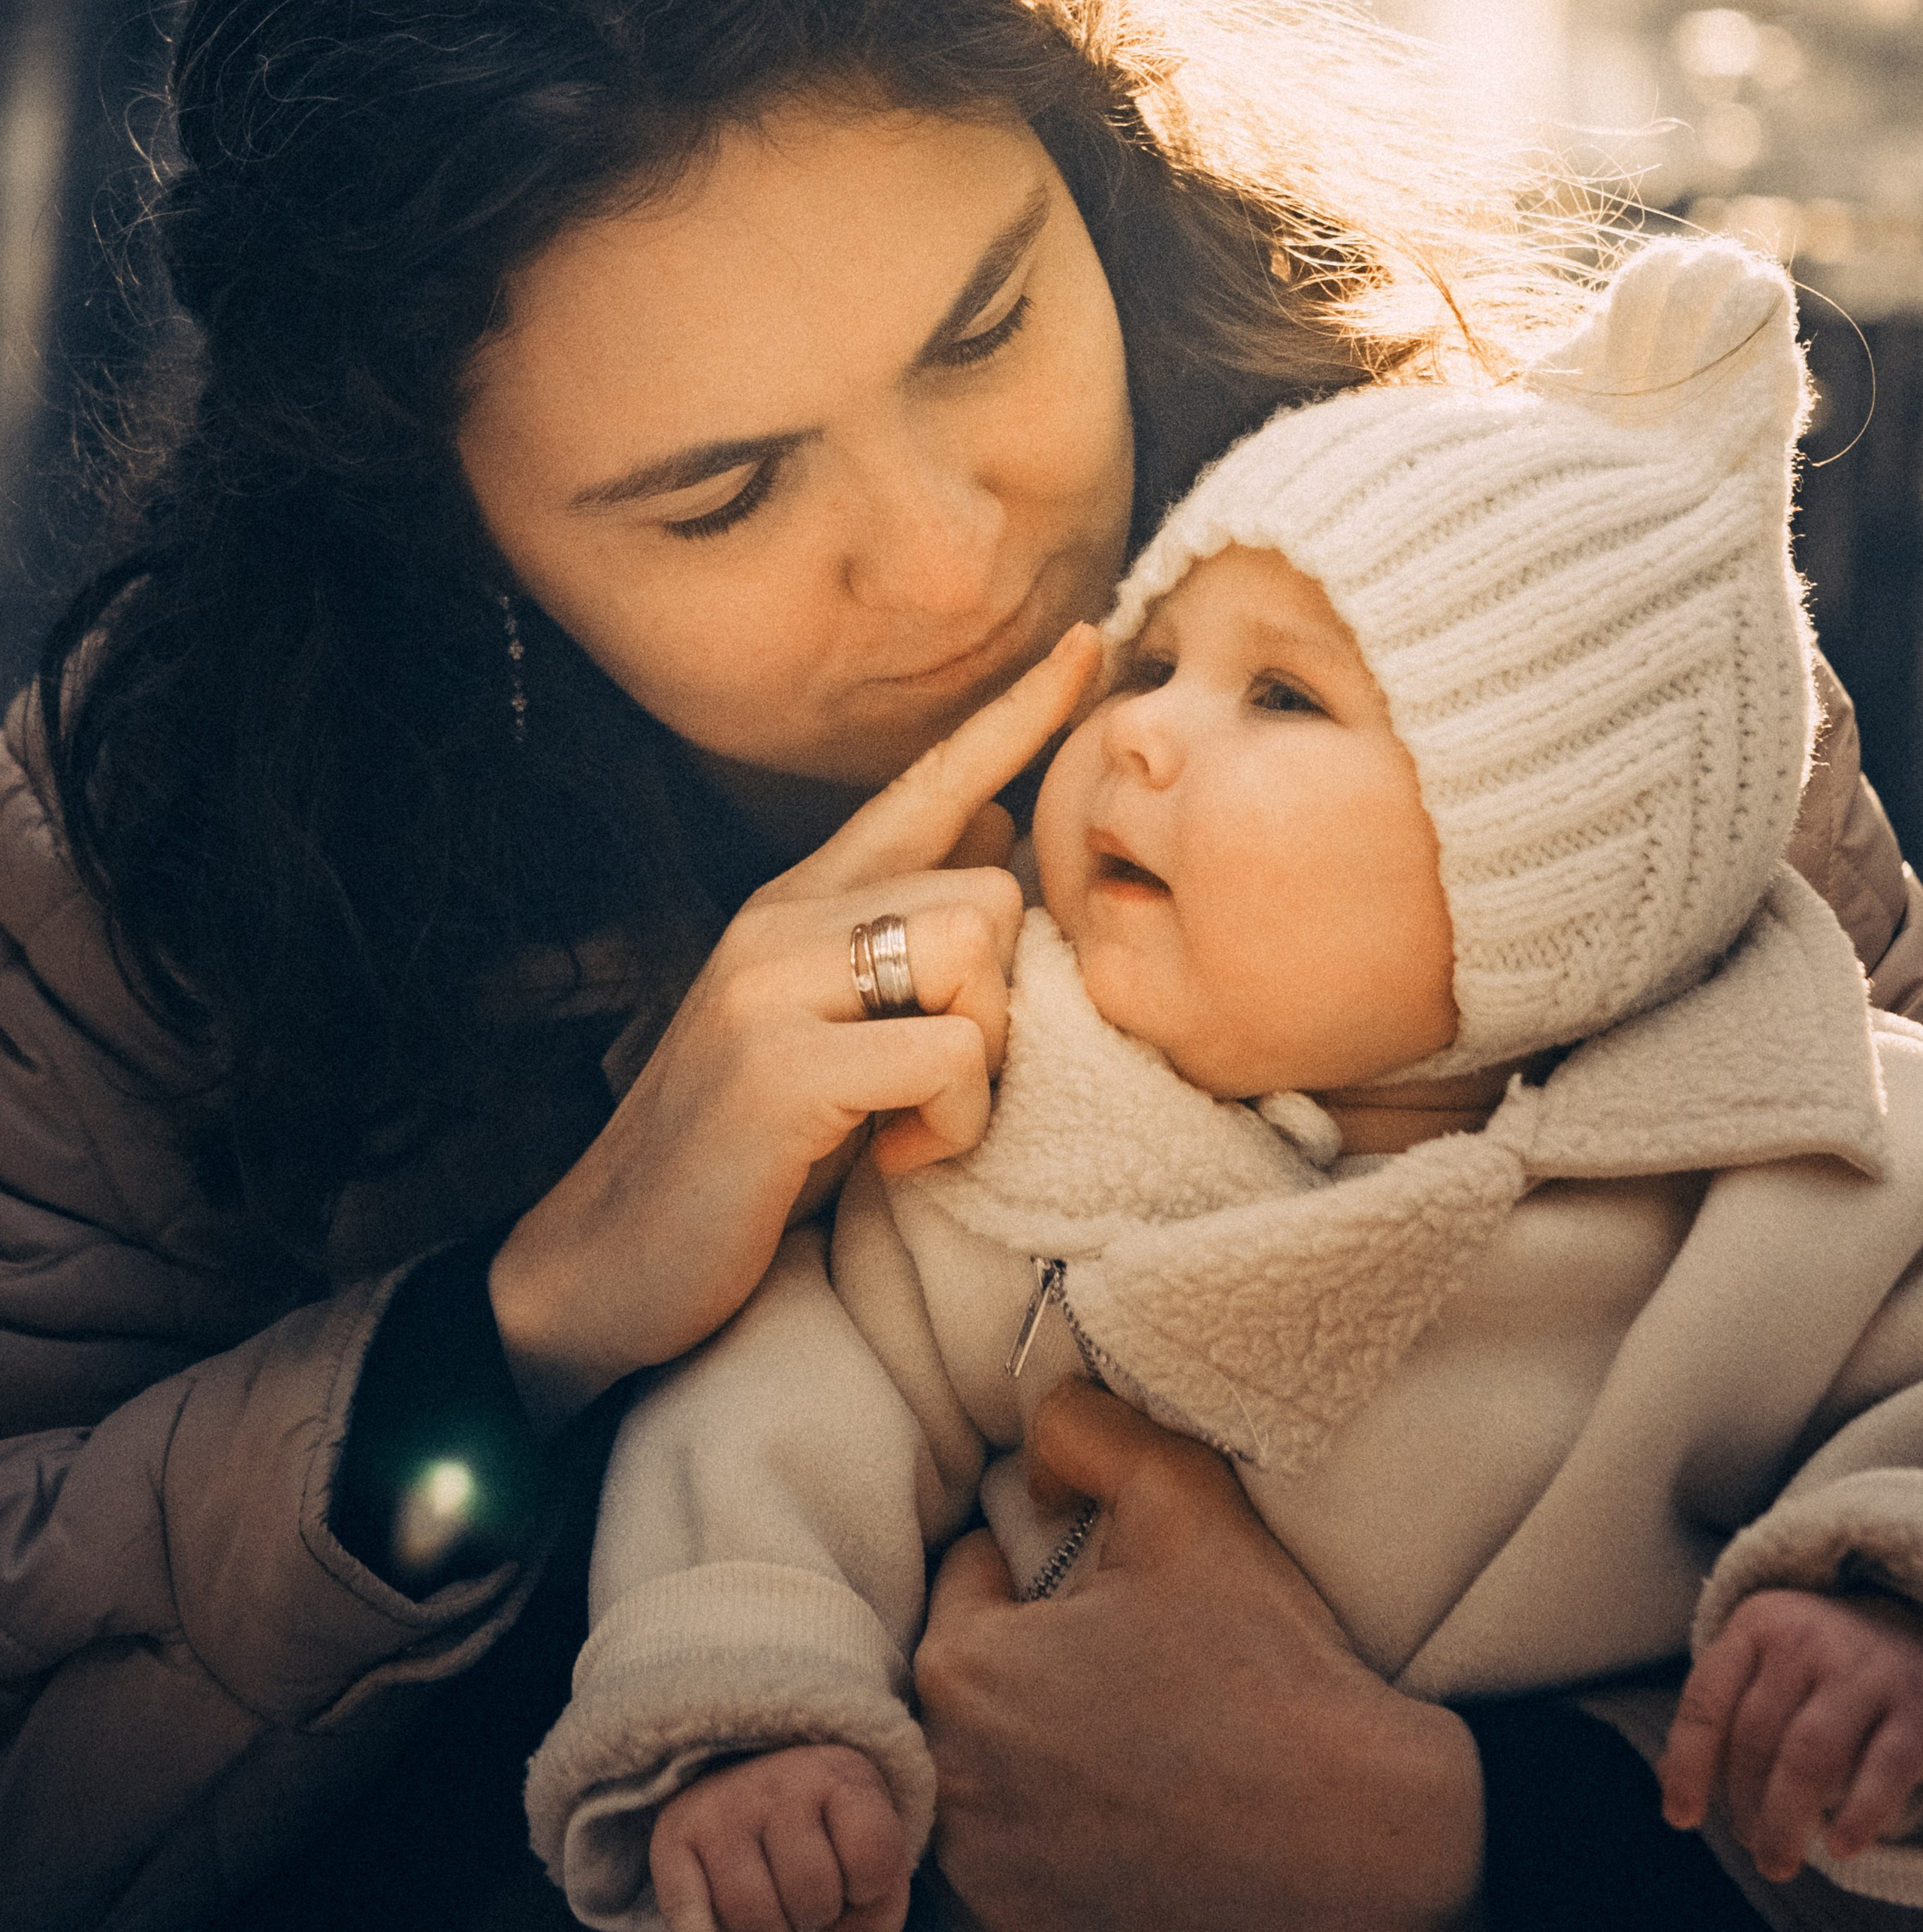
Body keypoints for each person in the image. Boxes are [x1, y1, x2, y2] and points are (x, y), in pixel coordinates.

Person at [0, 0, 1915, 1932]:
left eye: (990, 327)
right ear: (436, 524)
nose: (941, 564)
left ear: (1099, 165)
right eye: (720, 493)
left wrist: (1470, 1852)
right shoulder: (167, 830)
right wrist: (538, 1317)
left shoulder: (1576, 638)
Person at [529, 235, 1923, 1932]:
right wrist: (750, 1712)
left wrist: (1871, 1594)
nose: (1135, 732)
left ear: (1546, 874)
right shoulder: (1003, 1116)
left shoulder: (1815, 1155)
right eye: (1150, 661)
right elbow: (782, 1414)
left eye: (1277, 693)